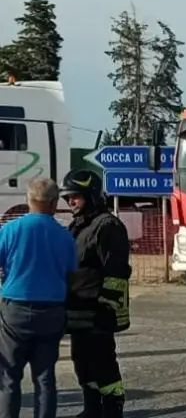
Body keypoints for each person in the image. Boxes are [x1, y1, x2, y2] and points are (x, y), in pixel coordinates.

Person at [0, 178, 77, 418]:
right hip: (52, 312)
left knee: (9, 377)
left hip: (15, 311)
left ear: (28, 200)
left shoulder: (10, 230)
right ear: (54, 203)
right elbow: (70, 274)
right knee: (45, 378)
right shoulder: (65, 236)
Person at [62, 170, 131, 418]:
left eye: (75, 197)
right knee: (81, 361)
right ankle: (92, 408)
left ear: (91, 196)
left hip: (98, 310)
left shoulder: (108, 226)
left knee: (103, 363)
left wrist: (107, 306)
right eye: (68, 198)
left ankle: (113, 409)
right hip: (77, 309)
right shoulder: (78, 225)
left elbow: (117, 271)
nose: (70, 202)